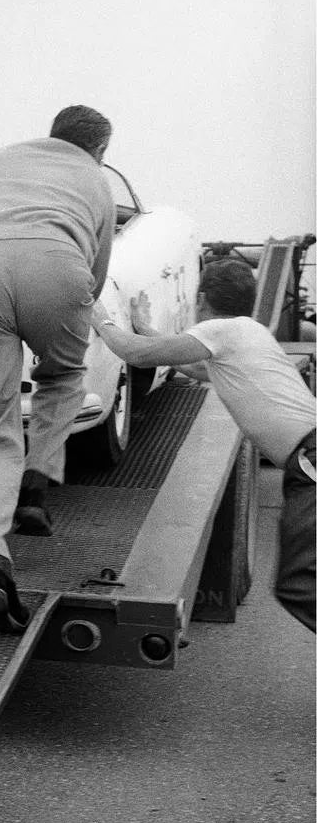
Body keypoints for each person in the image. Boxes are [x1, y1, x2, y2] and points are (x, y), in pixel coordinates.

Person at [0, 105, 116, 635]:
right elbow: (96, 269)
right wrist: (65, 311)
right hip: (58, 269)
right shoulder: (94, 180)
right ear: (100, 148)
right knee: (63, 378)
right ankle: (36, 483)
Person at [91, 259, 315, 632]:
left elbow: (138, 354)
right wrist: (147, 327)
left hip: (311, 459)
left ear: (201, 297)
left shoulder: (220, 330)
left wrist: (102, 319)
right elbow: (194, 367)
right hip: (307, 456)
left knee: (299, 585)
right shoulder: (250, 332)